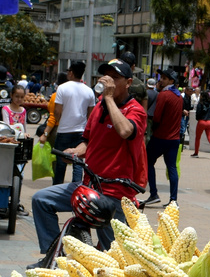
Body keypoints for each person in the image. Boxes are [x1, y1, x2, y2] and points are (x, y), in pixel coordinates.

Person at [29, 58, 146, 259]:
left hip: (114, 191)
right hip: (88, 185)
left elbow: (126, 131)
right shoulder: (100, 106)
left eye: (115, 78)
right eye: (106, 77)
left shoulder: (135, 110)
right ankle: (51, 256)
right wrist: (75, 152)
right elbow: (87, 141)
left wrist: (108, 99)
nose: (108, 82)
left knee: (113, 256)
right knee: (41, 200)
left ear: (127, 83)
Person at [42, 61, 94, 185]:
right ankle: (76, 188)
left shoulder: (62, 88)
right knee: (78, 163)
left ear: (71, 73)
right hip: (81, 131)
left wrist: (62, 121)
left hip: (64, 130)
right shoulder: (89, 91)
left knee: (60, 162)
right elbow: (91, 114)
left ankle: (57, 189)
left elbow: (57, 111)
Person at [146, 78, 185, 205]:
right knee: (172, 167)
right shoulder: (179, 97)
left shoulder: (164, 95)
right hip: (174, 139)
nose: (160, 80)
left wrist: (153, 128)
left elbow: (157, 116)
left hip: (161, 136)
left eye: (163, 78)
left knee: (148, 161)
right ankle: (173, 200)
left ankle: (153, 193)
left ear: (170, 80)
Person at [191, 88, 210, 158]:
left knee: (197, 138)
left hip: (201, 122)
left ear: (202, 96)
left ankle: (196, 153)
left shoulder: (200, 104)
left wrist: (198, 119)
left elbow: (198, 113)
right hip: (209, 122)